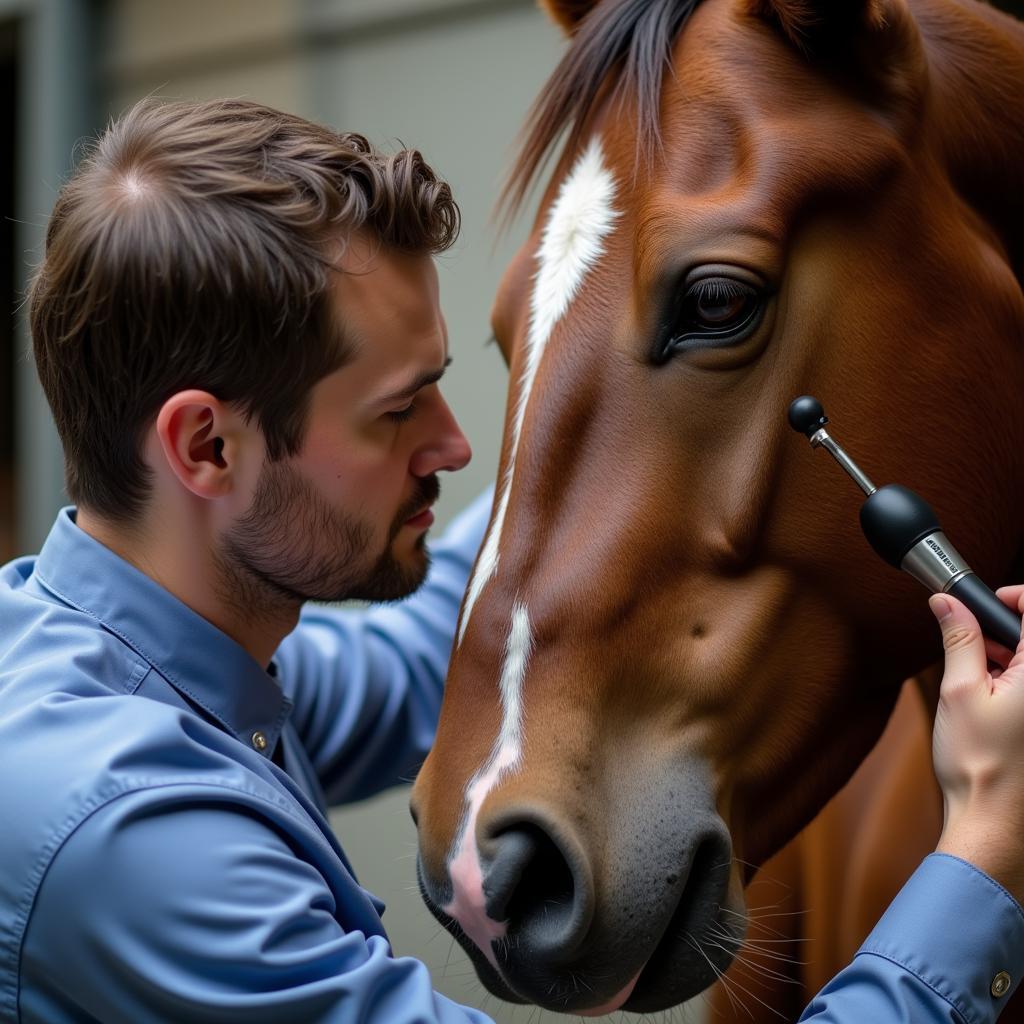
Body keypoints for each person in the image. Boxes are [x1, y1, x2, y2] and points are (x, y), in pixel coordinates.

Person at [0, 96, 1020, 1024]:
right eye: (397, 411)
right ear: (208, 447)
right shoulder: (124, 834)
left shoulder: (155, 660)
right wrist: (984, 852)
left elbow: (406, 659)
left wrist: (626, 433)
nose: (452, 444)